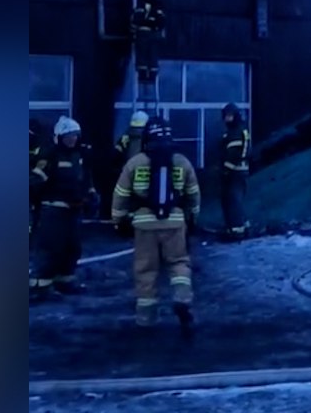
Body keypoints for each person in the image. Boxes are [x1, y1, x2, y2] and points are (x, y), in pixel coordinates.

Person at [111, 117, 201, 332]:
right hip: (175, 222)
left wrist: (118, 220)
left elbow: (120, 195)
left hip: (143, 225)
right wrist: (193, 219)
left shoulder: (135, 162)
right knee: (179, 262)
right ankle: (182, 297)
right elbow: (193, 194)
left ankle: (146, 318)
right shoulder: (182, 162)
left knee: (146, 270)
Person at [30, 116, 99, 302]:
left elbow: (86, 179)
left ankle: (65, 280)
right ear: (59, 137)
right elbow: (35, 181)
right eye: (68, 135)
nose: (72, 139)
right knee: (49, 248)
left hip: (74, 211)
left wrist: (91, 195)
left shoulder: (81, 156)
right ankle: (39, 286)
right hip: (53, 211)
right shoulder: (50, 155)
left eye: (75, 135)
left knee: (72, 248)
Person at [218, 103, 252, 239]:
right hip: (238, 171)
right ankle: (239, 226)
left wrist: (225, 170)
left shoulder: (236, 132)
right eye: (226, 116)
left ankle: (237, 231)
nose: (227, 119)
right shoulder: (238, 130)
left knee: (233, 200)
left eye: (229, 116)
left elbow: (233, 154)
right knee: (232, 200)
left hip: (235, 172)